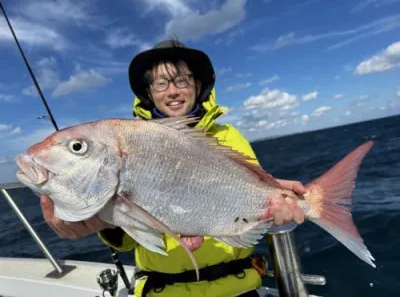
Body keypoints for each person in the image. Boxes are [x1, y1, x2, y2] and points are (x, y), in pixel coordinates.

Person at [40, 39, 306, 297]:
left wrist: (276, 205)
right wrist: (103, 220)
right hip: (165, 291)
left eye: (182, 80)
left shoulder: (228, 135)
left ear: (197, 84)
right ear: (149, 92)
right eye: (161, 83)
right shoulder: (128, 140)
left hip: (239, 286)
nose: (173, 91)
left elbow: (253, 193)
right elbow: (129, 240)